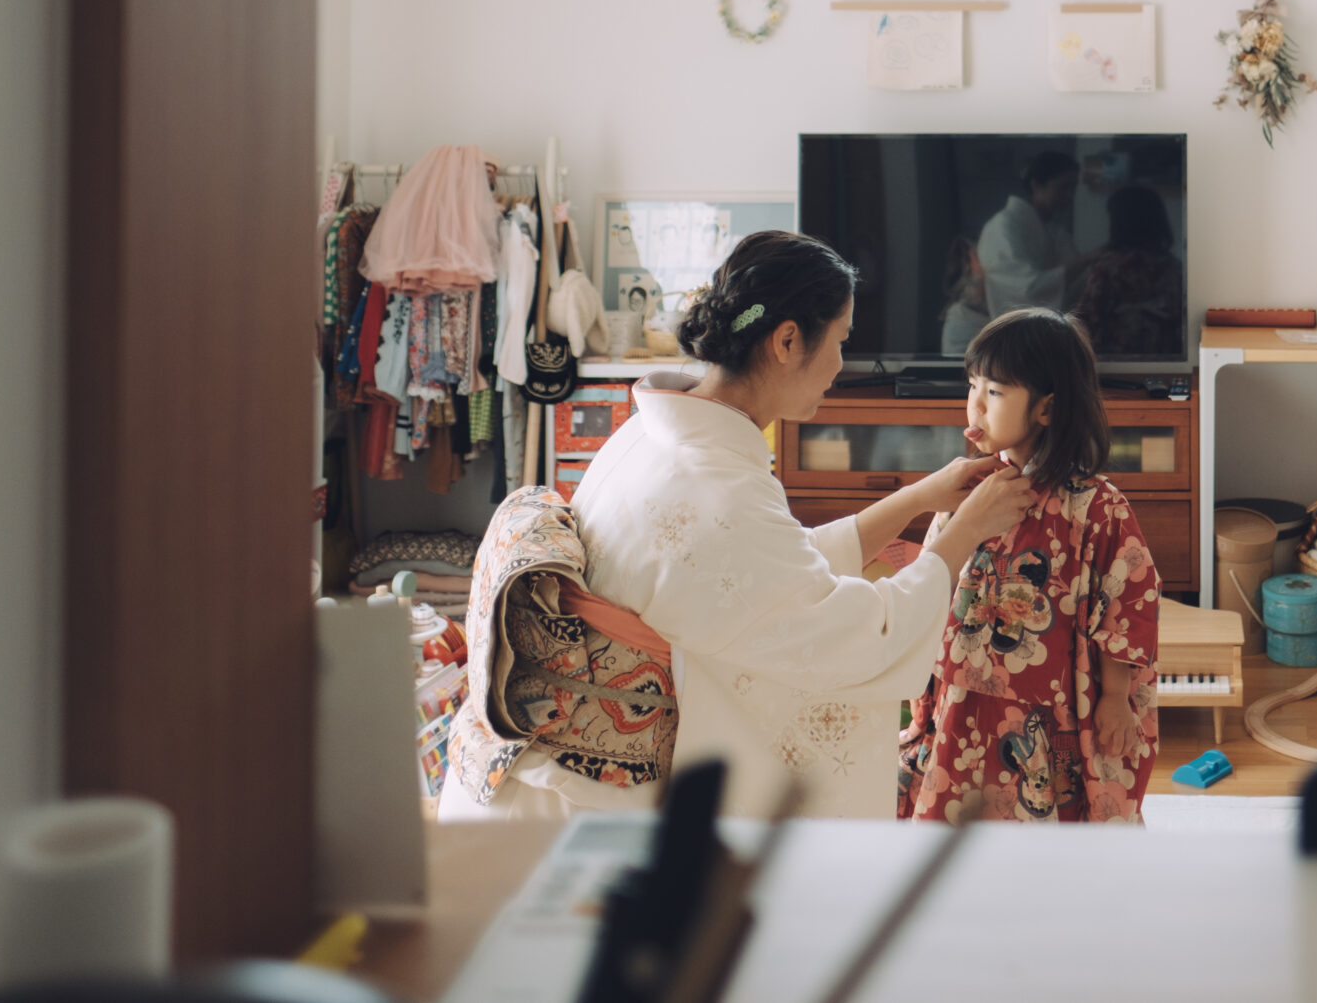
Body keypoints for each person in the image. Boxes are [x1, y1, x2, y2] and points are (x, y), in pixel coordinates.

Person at [441, 230, 1037, 821]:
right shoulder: (716, 490)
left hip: (534, 773)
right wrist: (965, 531)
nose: (840, 364)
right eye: (839, 340)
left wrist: (919, 498)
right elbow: (860, 640)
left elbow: (775, 569)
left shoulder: (653, 433)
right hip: (570, 806)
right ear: (786, 340)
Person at [897, 309, 1159, 822]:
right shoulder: (966, 490)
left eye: (994, 392)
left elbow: (1127, 597)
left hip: (1048, 705)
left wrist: (1115, 695)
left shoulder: (1096, 505)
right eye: (972, 384)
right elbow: (935, 578)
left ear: (1045, 409)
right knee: (956, 807)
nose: (974, 403)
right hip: (963, 689)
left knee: (1042, 814)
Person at [1069, 185, 1184, 359]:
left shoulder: (1109, 267)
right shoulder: (1172, 267)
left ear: (1118, 222)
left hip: (1114, 361)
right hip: (1165, 358)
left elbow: (1086, 320)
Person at [975, 149, 1078, 316]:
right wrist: (1088, 260)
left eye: (1073, 188)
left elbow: (1077, 279)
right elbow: (1028, 288)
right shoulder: (1002, 226)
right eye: (1063, 187)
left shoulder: (1055, 231)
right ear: (1036, 185)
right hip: (995, 324)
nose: (1070, 196)